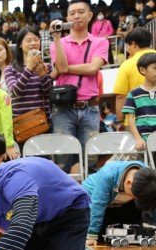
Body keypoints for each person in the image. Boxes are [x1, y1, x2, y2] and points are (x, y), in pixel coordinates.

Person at [51, 0, 109, 174]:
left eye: (81, 11)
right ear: (67, 17)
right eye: (72, 13)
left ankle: (91, 198)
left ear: (90, 15)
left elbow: (93, 68)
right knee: (62, 161)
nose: (76, 16)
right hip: (63, 109)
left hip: (90, 108)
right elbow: (60, 67)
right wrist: (56, 37)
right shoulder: (58, 43)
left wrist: (67, 69)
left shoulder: (100, 42)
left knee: (91, 160)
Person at [83, 161, 156, 245]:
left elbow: (152, 201)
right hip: (94, 205)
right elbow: (98, 205)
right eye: (135, 196)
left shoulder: (148, 176)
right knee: (102, 236)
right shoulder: (108, 174)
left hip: (121, 204)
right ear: (128, 183)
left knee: (132, 232)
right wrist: (92, 235)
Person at [5, 26, 54, 127]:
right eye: (28, 40)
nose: (33, 43)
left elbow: (49, 94)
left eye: (36, 39)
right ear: (20, 45)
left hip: (43, 123)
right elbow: (16, 92)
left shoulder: (47, 67)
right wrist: (29, 68)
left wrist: (42, 74)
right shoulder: (10, 69)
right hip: (21, 124)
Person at [113, 28, 156, 126]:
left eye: (127, 46)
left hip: (136, 122)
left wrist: (120, 121)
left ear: (133, 44)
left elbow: (121, 96)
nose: (127, 49)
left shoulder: (127, 64)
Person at [122, 52, 156, 150]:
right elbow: (131, 118)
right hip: (144, 141)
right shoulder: (133, 94)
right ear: (142, 70)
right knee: (147, 165)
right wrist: (138, 138)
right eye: (155, 68)